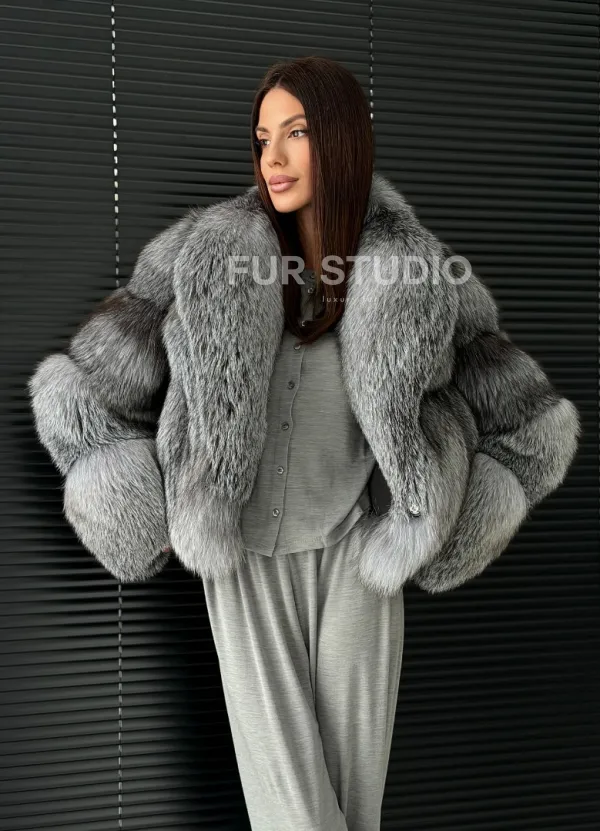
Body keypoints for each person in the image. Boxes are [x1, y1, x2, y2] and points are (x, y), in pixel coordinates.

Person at [27, 56, 581, 831]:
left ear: (342, 139)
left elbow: (534, 425)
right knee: (292, 814)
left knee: (353, 809)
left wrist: (449, 527)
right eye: (263, 138)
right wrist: (129, 498)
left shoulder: (418, 270)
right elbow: (79, 391)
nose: (274, 157)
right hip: (244, 559)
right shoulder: (202, 255)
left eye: (296, 133)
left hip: (360, 557)